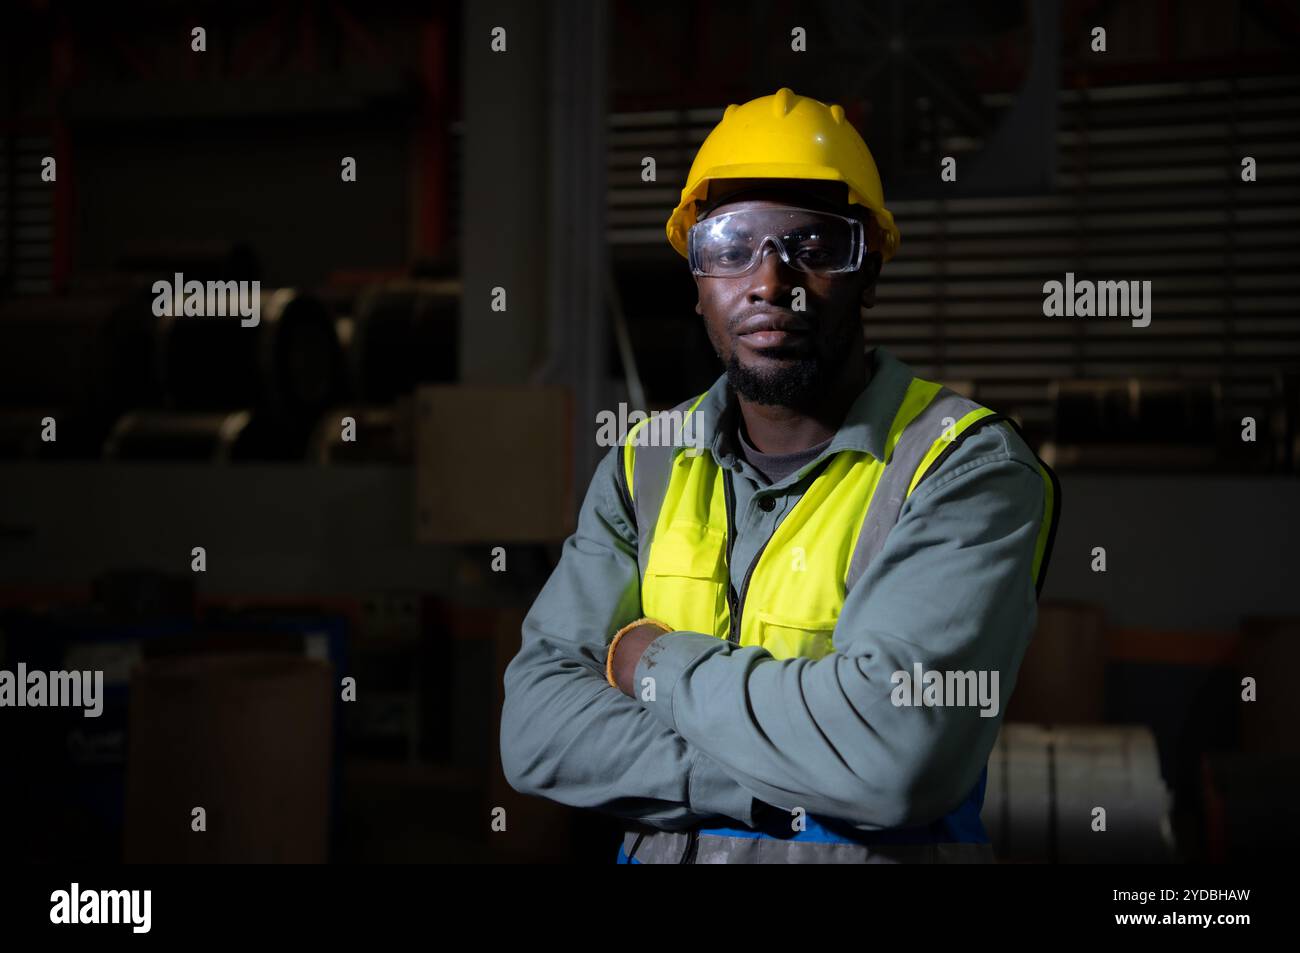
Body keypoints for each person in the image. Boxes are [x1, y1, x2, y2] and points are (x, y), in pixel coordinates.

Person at [500, 88, 1060, 863]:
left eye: (813, 245)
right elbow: (536, 731)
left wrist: (651, 662)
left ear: (870, 268)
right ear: (697, 283)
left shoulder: (961, 466)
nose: (770, 281)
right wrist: (786, 781)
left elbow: (894, 756)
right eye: (729, 246)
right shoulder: (645, 464)